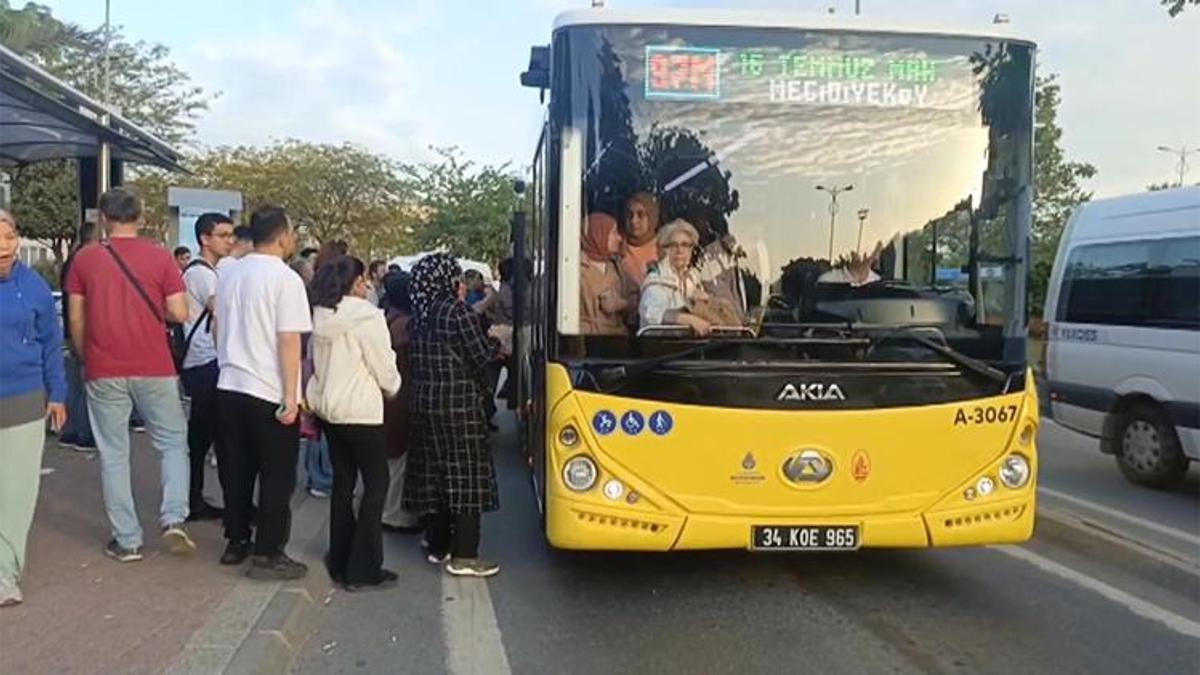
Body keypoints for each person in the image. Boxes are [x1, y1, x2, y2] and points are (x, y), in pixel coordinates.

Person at [64, 188, 195, 562]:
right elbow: (179, 312)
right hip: (155, 365)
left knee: (114, 452)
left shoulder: (85, 259)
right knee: (171, 442)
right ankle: (173, 518)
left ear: (104, 218)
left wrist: (87, 354)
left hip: (104, 367)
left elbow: (76, 317)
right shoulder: (160, 258)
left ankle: (127, 539)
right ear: (140, 217)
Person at [215, 205, 312, 579]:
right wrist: (293, 397)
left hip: (229, 384)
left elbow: (219, 326)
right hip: (268, 389)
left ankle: (236, 540)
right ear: (284, 235)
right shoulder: (285, 280)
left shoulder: (231, 274)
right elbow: (289, 341)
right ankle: (269, 551)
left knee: (237, 470)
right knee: (276, 475)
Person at [404, 254, 504, 578]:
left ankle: (437, 545)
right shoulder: (455, 311)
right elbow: (479, 354)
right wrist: (496, 342)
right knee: (466, 477)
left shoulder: (417, 314)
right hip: (458, 405)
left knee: (434, 474)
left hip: (423, 403)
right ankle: (464, 555)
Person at [306, 256, 402, 591]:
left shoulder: (321, 314)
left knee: (343, 484)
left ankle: (340, 556)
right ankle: (363, 567)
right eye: (363, 280)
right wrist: (393, 387)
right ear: (356, 282)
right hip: (361, 409)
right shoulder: (367, 316)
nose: (367, 286)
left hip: (329, 409)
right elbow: (382, 363)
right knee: (376, 484)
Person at [0, 210, 67, 607]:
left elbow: (49, 344)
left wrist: (57, 394)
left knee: (15, 490)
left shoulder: (35, 286)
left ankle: (5, 572)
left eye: (8, 236)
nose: (3, 245)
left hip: (23, 396)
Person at [179, 212, 235, 522]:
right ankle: (230, 506)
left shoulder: (210, 271)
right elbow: (223, 309)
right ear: (205, 239)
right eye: (223, 235)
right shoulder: (201, 273)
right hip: (205, 361)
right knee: (220, 438)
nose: (229, 241)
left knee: (201, 438)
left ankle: (192, 498)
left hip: (204, 361)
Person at [381, 272, 420, 532]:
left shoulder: (387, 318)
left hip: (388, 398)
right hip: (401, 397)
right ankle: (395, 515)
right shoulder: (406, 326)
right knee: (399, 460)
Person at [58, 221, 98, 452]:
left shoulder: (71, 261)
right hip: (82, 330)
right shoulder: (85, 262)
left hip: (70, 331)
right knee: (85, 386)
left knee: (73, 384)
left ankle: (70, 430)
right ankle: (84, 433)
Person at [639, 219, 713, 336]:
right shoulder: (656, 278)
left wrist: (707, 301)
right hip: (662, 349)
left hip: (694, 347)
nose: (680, 250)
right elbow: (651, 313)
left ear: (691, 249)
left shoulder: (693, 278)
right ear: (664, 250)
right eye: (674, 245)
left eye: (685, 245)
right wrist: (688, 320)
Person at [579, 213, 632, 335]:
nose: (619, 238)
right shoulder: (575, 268)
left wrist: (621, 304)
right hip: (586, 342)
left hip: (618, 340)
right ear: (598, 234)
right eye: (613, 233)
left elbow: (639, 299)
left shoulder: (617, 266)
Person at [620, 192, 661, 287]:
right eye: (629, 215)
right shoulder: (617, 248)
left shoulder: (665, 246)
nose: (633, 221)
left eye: (640, 214)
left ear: (652, 217)